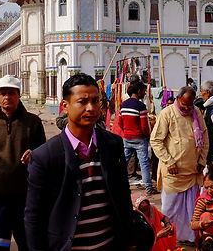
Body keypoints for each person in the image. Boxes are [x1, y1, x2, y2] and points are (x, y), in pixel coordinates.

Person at [25, 73, 134, 250]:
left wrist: (129, 240)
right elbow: (34, 217)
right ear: (65, 107)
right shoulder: (46, 156)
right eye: (82, 102)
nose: (91, 108)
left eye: (95, 101)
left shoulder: (112, 144)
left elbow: (122, 196)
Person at [0, 74, 46, 251]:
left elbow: (45, 158)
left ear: (19, 94)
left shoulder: (33, 122)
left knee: (29, 245)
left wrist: (35, 154)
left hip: (26, 198)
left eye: (11, 93)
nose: (7, 97)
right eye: (3, 93)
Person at [151, 86, 209, 245]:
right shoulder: (166, 113)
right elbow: (156, 141)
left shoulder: (196, 112)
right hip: (173, 173)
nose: (187, 109)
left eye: (189, 106)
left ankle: (188, 237)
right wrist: (169, 161)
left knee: (191, 209)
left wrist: (201, 162)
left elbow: (205, 138)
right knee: (170, 209)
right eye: (184, 105)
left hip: (192, 171)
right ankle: (166, 240)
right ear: (178, 99)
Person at [121, 80, 158, 195]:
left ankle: (117, 185)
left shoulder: (123, 105)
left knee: (123, 163)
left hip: (127, 137)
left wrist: (126, 132)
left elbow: (120, 123)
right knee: (144, 163)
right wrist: (148, 137)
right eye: (143, 91)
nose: (144, 93)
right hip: (139, 138)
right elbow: (144, 126)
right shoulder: (140, 106)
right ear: (138, 91)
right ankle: (148, 188)